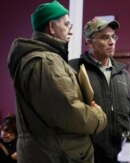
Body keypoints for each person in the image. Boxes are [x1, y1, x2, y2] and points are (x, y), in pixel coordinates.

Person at [7, 1, 107, 163]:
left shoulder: (44, 59)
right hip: (56, 156)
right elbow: (69, 113)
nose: (71, 30)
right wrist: (99, 117)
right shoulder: (45, 62)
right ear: (52, 27)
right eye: (67, 24)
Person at [69, 17, 130, 162]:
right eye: (105, 37)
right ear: (89, 42)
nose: (112, 42)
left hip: (122, 156)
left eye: (114, 37)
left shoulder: (124, 75)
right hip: (89, 156)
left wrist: (129, 142)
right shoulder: (73, 69)